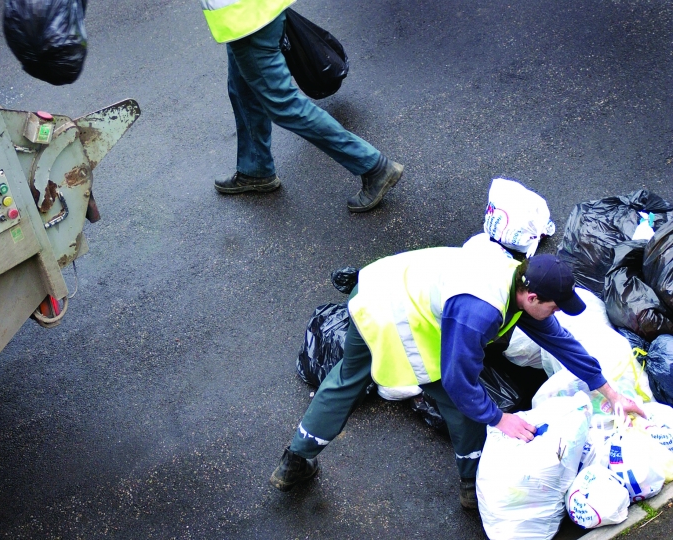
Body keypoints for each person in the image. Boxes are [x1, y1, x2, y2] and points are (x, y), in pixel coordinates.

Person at [269, 249, 646, 508]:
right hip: (396, 313)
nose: (555, 313)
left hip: (375, 288)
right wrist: (501, 419)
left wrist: (610, 393)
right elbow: (457, 381)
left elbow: (562, 342)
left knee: (345, 380)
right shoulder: (479, 311)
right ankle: (471, 487)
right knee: (461, 401)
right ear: (531, 297)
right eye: (554, 306)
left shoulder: (514, 277)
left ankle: (294, 462)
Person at [200, 1, 404, 212]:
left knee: (285, 106)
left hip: (248, 19)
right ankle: (255, 168)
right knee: (243, 88)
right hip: (247, 15)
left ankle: (374, 166)